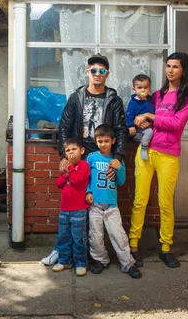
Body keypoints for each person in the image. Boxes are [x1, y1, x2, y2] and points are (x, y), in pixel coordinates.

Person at [41, 54, 127, 266]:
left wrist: (118, 157)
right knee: (74, 207)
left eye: (102, 71)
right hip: (79, 156)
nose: (97, 74)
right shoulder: (76, 97)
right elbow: (64, 127)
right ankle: (63, 251)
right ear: (87, 72)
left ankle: (91, 256)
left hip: (101, 156)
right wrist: (64, 156)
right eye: (94, 70)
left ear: (107, 74)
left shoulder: (113, 100)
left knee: (96, 208)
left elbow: (121, 131)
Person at [129, 52, 188, 269]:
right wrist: (139, 121)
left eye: (175, 66)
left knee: (165, 203)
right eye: (168, 66)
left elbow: (176, 124)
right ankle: (133, 246)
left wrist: (150, 117)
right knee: (140, 200)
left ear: (183, 70)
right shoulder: (156, 95)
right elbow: (139, 115)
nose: (170, 70)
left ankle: (166, 248)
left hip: (168, 154)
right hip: (145, 152)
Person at [85, 124, 142, 279]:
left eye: (106, 141)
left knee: (119, 235)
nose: (103, 144)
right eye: (100, 141)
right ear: (95, 141)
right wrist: (88, 191)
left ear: (113, 141)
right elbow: (85, 178)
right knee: (95, 235)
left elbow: (122, 181)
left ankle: (128, 263)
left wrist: (119, 168)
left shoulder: (117, 160)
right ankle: (100, 260)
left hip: (111, 206)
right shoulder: (91, 158)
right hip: (95, 205)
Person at [52, 137, 91, 276]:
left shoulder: (83, 165)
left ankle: (80, 263)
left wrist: (69, 169)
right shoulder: (67, 167)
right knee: (64, 237)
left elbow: (76, 180)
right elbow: (59, 183)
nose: (70, 153)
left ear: (82, 150)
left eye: (73, 149)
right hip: (65, 209)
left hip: (79, 210)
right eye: (67, 150)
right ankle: (64, 261)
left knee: (79, 238)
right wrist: (65, 174)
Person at [126, 74, 155, 161]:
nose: (143, 90)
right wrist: (131, 126)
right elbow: (129, 115)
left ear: (149, 88)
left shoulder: (151, 100)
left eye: (145, 87)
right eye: (139, 88)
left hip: (150, 123)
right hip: (138, 126)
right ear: (134, 89)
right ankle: (144, 148)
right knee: (149, 132)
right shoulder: (133, 102)